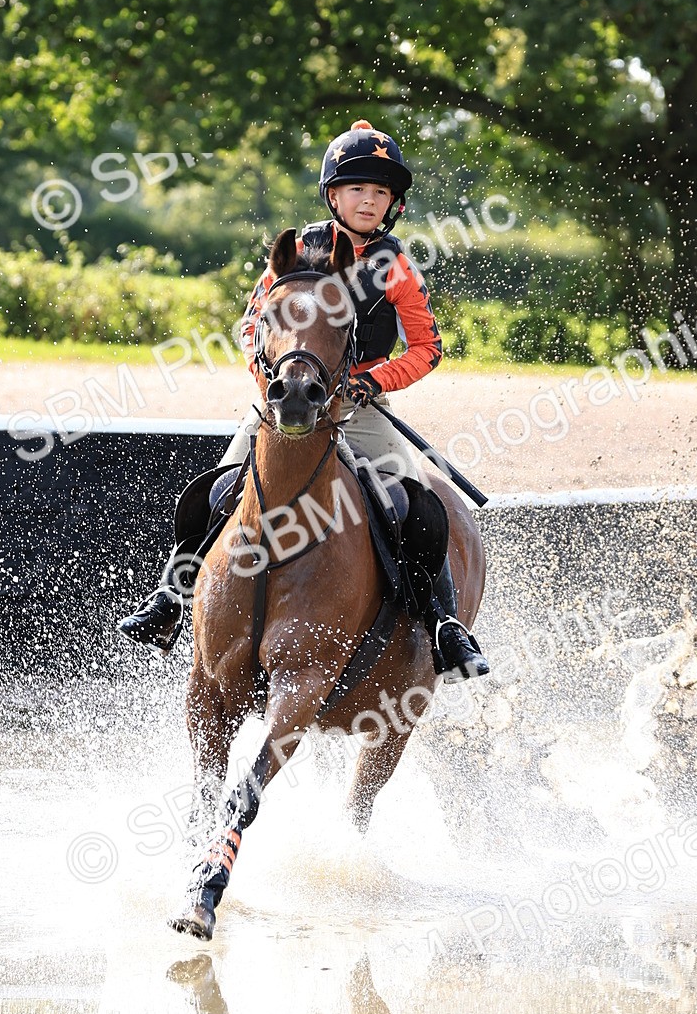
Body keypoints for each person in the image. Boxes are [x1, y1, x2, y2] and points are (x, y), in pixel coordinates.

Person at [118, 120, 488, 679]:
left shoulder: (395, 266)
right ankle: (171, 597)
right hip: (285, 397)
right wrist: (270, 379)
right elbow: (251, 328)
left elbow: (428, 348)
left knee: (413, 499)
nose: (370, 201)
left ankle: (443, 624)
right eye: (358, 189)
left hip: (358, 407)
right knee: (217, 487)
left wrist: (373, 383)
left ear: (393, 203)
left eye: (381, 192)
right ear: (333, 195)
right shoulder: (295, 252)